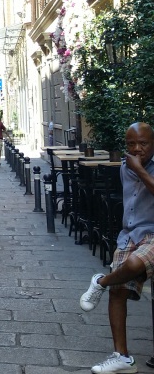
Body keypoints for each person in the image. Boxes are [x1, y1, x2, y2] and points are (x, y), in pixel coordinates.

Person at [79, 123, 154, 374]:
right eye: (131, 144)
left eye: (143, 143)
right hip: (130, 234)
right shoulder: (125, 166)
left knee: (133, 265)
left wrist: (140, 170)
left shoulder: (137, 167)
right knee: (118, 291)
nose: (137, 149)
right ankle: (122, 357)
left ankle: (100, 282)